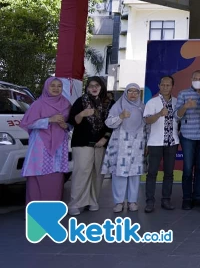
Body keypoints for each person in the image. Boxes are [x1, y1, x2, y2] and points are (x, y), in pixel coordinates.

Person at [20, 77, 71, 204]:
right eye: (52, 85)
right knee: (38, 176)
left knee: (56, 177)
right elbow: (28, 123)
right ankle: (35, 216)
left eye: (59, 86)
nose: (56, 88)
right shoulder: (38, 104)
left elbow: (70, 123)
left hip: (59, 145)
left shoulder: (66, 104)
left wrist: (67, 126)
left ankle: (52, 214)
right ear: (46, 87)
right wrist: (49, 120)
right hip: (40, 145)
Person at [67, 76, 112, 216]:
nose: (94, 88)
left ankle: (93, 201)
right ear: (87, 88)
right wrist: (82, 113)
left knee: (97, 173)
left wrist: (105, 139)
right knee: (81, 172)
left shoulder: (109, 102)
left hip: (101, 144)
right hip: (82, 143)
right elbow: (73, 122)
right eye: (91, 85)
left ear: (101, 87)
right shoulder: (81, 101)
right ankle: (75, 204)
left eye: (97, 85)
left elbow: (113, 124)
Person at [102, 83, 146, 213]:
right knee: (119, 174)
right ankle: (119, 202)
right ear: (126, 93)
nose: (133, 94)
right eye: (130, 91)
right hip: (120, 144)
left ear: (139, 94)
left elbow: (147, 127)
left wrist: (147, 144)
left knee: (134, 174)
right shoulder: (118, 106)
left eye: (136, 92)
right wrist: (120, 116)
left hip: (137, 144)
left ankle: (132, 201)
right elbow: (108, 123)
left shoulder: (142, 107)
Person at [143, 75, 180, 213]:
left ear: (172, 86)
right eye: (163, 85)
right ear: (159, 86)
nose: (165, 87)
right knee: (152, 173)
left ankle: (166, 200)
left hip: (172, 142)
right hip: (155, 142)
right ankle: (150, 202)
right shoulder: (152, 102)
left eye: (168, 85)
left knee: (169, 173)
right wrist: (159, 114)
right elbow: (147, 121)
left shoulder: (177, 102)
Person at [175, 70, 200, 210]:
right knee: (188, 168)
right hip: (187, 136)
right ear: (191, 79)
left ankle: (197, 197)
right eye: (195, 78)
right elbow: (177, 116)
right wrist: (185, 106)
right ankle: (187, 198)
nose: (197, 80)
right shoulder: (183, 94)